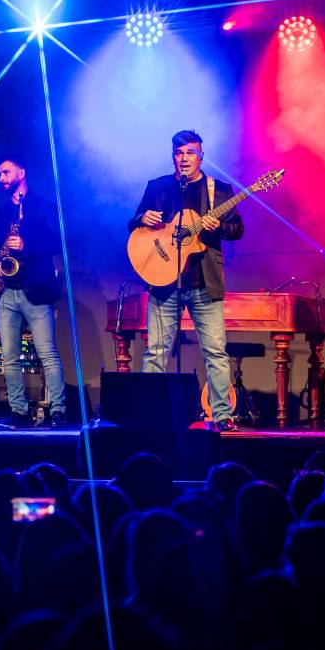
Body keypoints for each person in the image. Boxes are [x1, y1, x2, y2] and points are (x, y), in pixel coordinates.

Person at [126, 130, 244, 430]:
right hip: (165, 282)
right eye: (179, 153)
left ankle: (222, 415)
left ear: (201, 156)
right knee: (156, 351)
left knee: (215, 352)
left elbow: (237, 230)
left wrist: (218, 227)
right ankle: (149, 416)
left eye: (190, 153)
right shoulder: (159, 187)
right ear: (173, 157)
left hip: (204, 282)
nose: (184, 159)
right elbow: (132, 223)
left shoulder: (219, 191)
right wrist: (142, 219)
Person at [0, 153, 69, 427]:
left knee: (47, 354)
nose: (1, 179)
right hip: (8, 292)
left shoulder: (44, 206)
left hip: (37, 290)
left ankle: (58, 410)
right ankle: (19, 411)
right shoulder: (2, 211)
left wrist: (26, 246)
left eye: (6, 172)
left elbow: (59, 244)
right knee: (9, 357)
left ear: (22, 172)